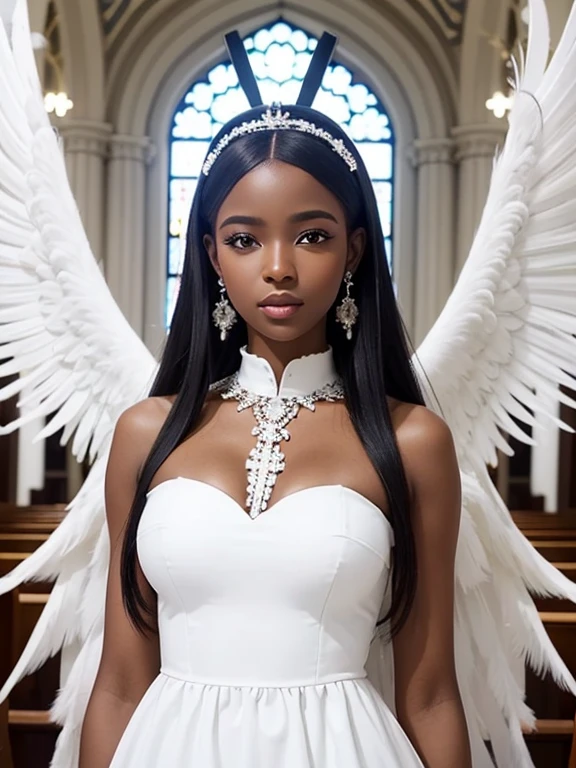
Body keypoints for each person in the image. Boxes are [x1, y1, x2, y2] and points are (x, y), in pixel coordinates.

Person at [78, 31, 471, 768]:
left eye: (312, 236)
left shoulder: (413, 440)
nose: (280, 269)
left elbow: (430, 695)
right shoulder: (146, 432)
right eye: (246, 239)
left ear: (354, 250)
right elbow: (120, 687)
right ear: (210, 253)